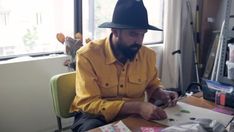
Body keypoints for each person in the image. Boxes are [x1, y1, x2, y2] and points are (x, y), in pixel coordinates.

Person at [70, 0, 178, 131]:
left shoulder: (147, 55)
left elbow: (152, 86)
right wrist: (137, 107)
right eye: (133, 34)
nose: (139, 41)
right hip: (95, 116)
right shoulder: (88, 55)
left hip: (134, 114)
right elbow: (88, 103)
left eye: (142, 34)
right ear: (115, 31)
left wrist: (161, 93)